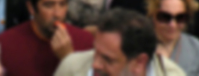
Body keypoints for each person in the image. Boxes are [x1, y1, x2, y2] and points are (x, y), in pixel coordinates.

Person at [0, 0, 95, 76]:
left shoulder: (86, 42)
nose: (57, 13)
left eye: (62, 4)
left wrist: (69, 59)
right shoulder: (4, 46)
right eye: (49, 5)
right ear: (31, 7)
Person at [54, 8, 185, 76]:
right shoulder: (71, 68)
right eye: (95, 52)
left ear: (139, 62)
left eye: (107, 59)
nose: (95, 64)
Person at [146, 0, 199, 76]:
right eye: (165, 17)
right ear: (153, 15)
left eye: (180, 18)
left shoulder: (196, 48)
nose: (172, 25)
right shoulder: (138, 46)